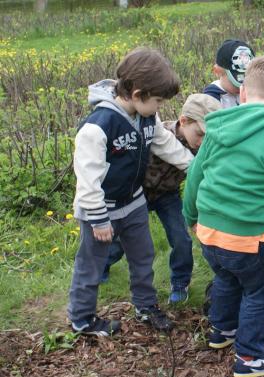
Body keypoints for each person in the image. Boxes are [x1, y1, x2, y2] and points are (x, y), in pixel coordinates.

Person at [182, 56, 264, 377]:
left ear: (244, 93)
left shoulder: (218, 124)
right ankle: (249, 357)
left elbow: (195, 174)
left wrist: (190, 214)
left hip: (208, 232)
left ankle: (222, 331)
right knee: (262, 290)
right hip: (248, 237)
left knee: (227, 277)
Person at [68, 48, 194, 336]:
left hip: (134, 203)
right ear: (137, 94)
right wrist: (99, 219)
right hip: (101, 210)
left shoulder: (147, 117)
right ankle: (82, 318)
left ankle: (145, 305)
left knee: (143, 256)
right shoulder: (97, 127)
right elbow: (87, 180)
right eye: (159, 100)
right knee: (92, 263)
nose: (160, 106)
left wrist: (196, 168)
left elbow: (167, 145)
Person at [100, 94, 221, 305]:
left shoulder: (204, 149)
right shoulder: (157, 132)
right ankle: (101, 267)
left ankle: (180, 283)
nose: (202, 141)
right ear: (184, 121)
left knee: (181, 238)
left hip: (168, 195)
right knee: (120, 237)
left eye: (208, 137)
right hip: (139, 192)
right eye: (200, 133)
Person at [203, 39, 255, 108]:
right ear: (217, 71)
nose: (241, 87)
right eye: (236, 83)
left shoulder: (251, 92)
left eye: (246, 82)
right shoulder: (211, 98)